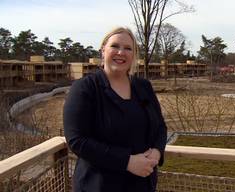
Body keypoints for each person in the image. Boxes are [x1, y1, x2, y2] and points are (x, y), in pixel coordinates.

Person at [64, 27, 167, 192]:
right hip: (99, 185)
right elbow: (77, 140)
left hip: (142, 184)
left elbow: (160, 127)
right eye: (115, 46)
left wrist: (157, 151)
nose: (121, 52)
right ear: (103, 50)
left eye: (128, 48)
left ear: (133, 55)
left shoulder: (143, 87)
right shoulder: (85, 88)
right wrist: (127, 162)